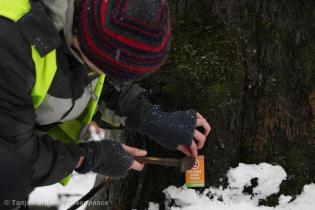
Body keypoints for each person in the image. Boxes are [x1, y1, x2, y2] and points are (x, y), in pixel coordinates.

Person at [0, 0, 211, 204]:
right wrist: (87, 157)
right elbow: (13, 158)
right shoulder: (10, 47)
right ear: (80, 39)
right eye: (103, 70)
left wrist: (147, 116)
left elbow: (84, 77)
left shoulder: (92, 19)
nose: (101, 76)